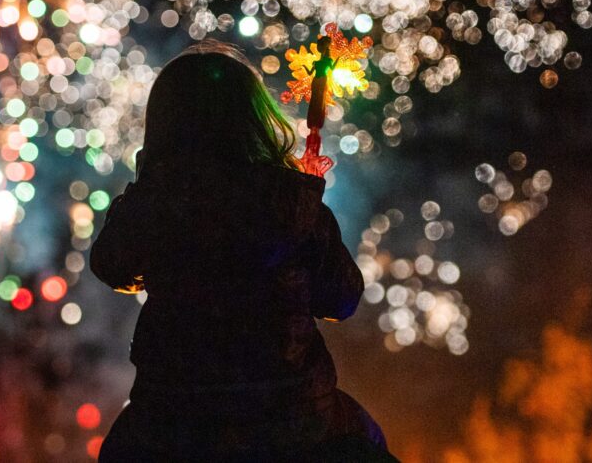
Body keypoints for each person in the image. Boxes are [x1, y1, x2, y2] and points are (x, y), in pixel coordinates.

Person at [90, 40, 398, 462]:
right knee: (366, 438)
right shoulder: (291, 200)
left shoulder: (156, 200)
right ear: (255, 119)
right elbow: (341, 298)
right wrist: (308, 206)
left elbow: (111, 264)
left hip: (173, 419)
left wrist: (146, 186)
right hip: (293, 417)